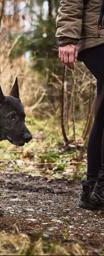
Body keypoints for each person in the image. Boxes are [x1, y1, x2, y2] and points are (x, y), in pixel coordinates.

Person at [56, 0, 104, 210]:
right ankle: (100, 189)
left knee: (102, 114)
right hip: (97, 37)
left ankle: (93, 189)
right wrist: (67, 38)